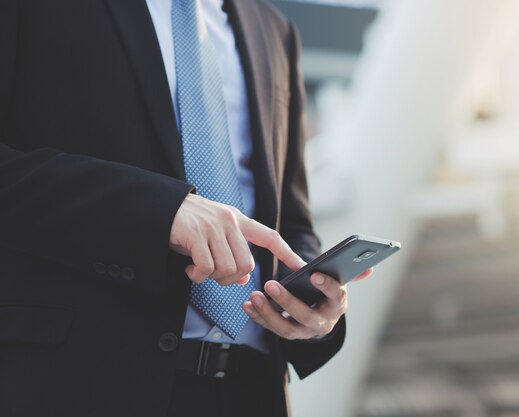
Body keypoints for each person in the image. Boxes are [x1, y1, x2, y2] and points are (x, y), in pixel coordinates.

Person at [0, 0, 372, 416]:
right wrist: (160, 211)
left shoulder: (273, 29)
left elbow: (291, 223)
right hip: (76, 383)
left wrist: (313, 306)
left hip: (250, 392)